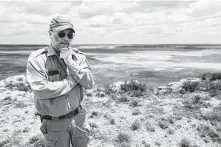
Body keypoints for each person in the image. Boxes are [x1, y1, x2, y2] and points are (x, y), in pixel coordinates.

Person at [26, 15, 95, 147]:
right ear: (50, 33)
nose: (66, 38)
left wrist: (70, 62)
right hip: (54, 124)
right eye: (61, 33)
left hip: (78, 118)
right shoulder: (38, 59)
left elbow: (90, 83)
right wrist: (72, 81)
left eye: (70, 35)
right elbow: (42, 90)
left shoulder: (78, 57)